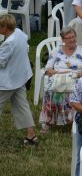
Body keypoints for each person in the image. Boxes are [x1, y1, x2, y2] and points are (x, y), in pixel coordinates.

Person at [39, 27, 82, 133]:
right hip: (58, 78)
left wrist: (76, 74)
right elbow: (48, 70)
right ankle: (48, 121)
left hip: (76, 78)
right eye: (68, 38)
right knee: (50, 90)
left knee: (75, 92)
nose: (72, 40)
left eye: (73, 37)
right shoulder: (56, 51)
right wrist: (60, 74)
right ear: (63, 40)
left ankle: (74, 121)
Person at [0, 14, 37, 145]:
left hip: (6, 82)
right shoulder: (20, 33)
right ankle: (31, 134)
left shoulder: (8, 44)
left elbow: (1, 62)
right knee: (23, 106)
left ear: (5, 27)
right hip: (20, 77)